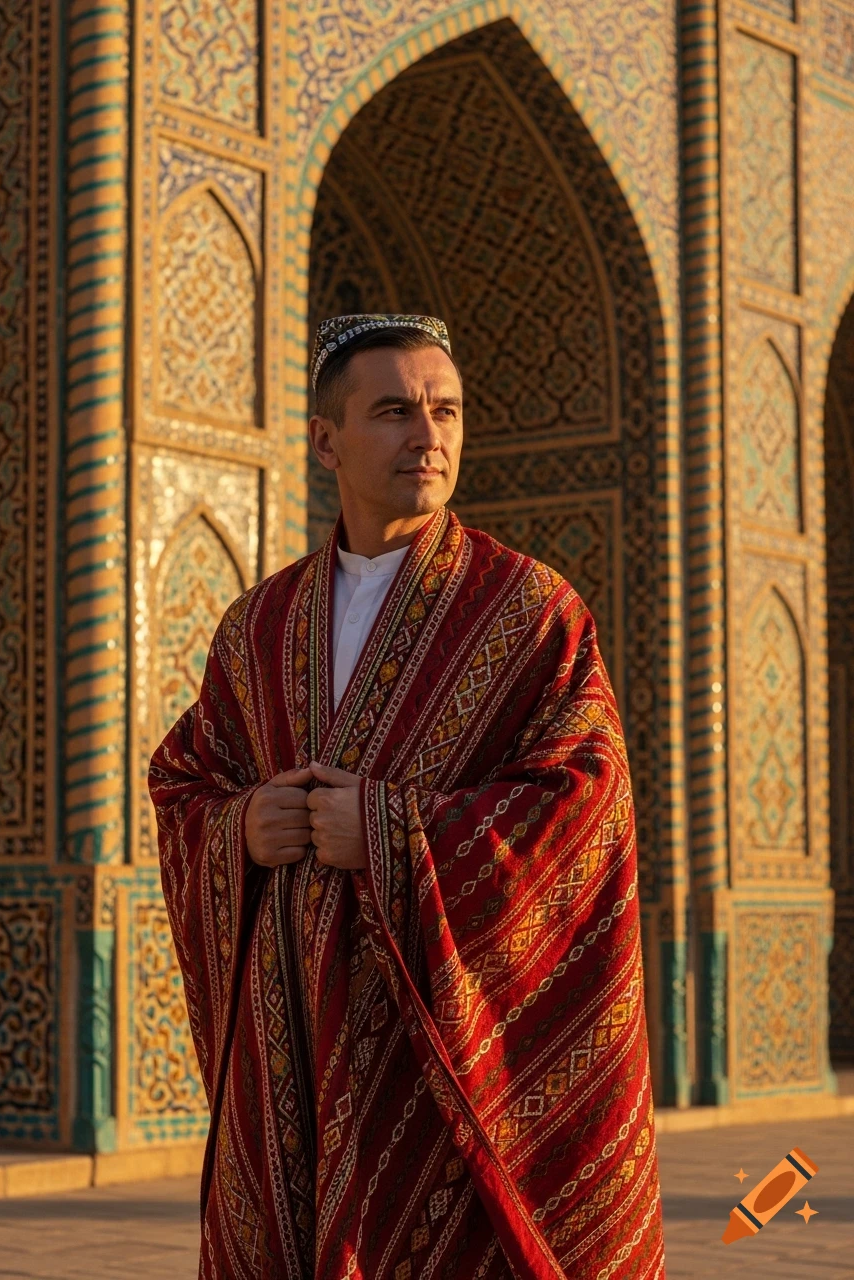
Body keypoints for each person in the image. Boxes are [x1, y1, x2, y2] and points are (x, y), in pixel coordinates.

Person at [149, 314, 665, 1279]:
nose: (428, 436)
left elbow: (586, 807)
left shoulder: (528, 612)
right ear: (325, 439)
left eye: (446, 411)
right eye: (393, 411)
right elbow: (186, 780)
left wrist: (391, 833)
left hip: (445, 1063)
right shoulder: (259, 625)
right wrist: (240, 826)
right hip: (292, 1044)